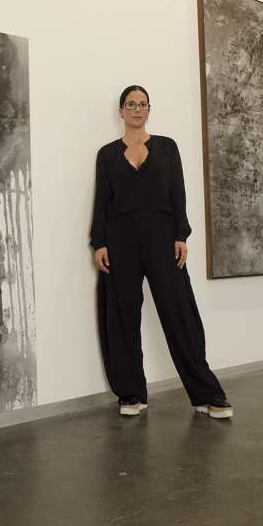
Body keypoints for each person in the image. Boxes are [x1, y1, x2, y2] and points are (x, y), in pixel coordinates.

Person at [89, 85, 233, 418]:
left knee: (178, 311)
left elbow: (177, 193)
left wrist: (181, 234)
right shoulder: (107, 155)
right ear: (121, 111)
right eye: (131, 104)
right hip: (120, 238)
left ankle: (206, 394)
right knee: (122, 315)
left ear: (149, 109)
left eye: (142, 104)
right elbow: (102, 202)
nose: (137, 109)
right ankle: (131, 394)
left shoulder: (167, 148)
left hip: (161, 235)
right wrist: (100, 242)